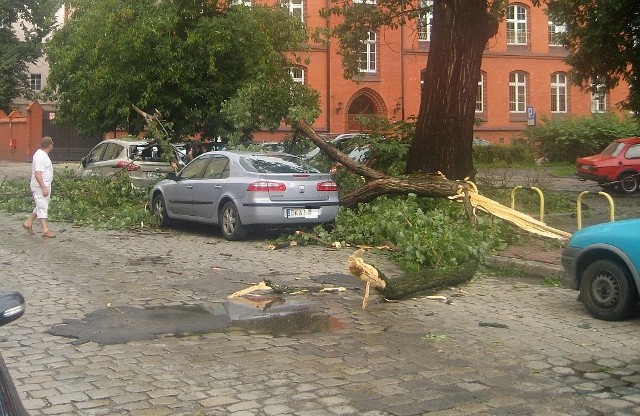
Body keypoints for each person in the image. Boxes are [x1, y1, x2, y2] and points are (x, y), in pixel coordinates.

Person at [22, 136, 55, 238]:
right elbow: (37, 173)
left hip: (45, 185)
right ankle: (45, 230)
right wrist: (43, 187)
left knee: (41, 204)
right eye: (52, 144)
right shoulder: (40, 156)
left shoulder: (43, 155)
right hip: (40, 186)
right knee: (42, 206)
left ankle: (28, 223)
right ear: (49, 145)